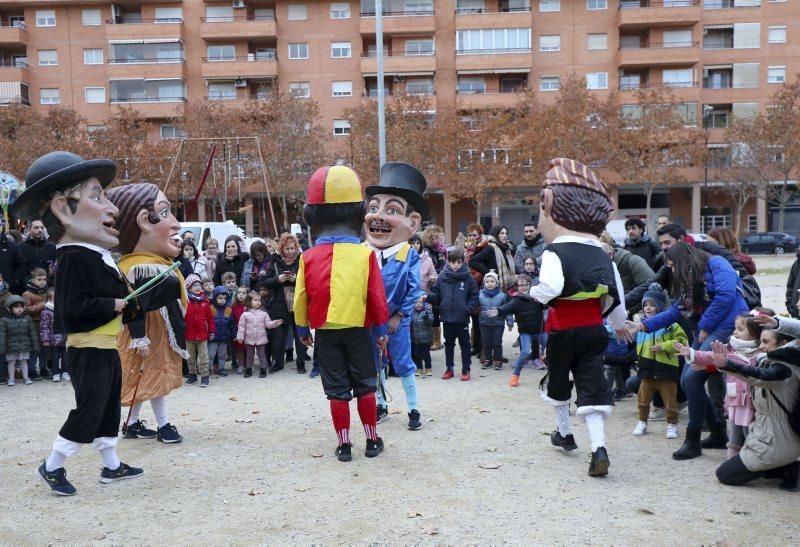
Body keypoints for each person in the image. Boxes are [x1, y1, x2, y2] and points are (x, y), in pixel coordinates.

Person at [13, 151, 142, 496]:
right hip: (87, 349)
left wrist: (130, 304)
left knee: (109, 405)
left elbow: (116, 302)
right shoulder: (72, 257)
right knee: (90, 407)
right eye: (97, 196)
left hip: (105, 347)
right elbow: (71, 310)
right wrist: (112, 303)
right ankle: (53, 464)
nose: (113, 209)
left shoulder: (96, 256)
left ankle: (111, 465)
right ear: (62, 208)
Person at [532, 158, 629, 478]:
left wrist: (534, 294)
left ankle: (565, 434)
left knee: (559, 383)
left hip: (563, 329)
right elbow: (617, 298)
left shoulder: (554, 251)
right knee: (592, 385)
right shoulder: (602, 254)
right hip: (594, 330)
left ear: (548, 204)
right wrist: (619, 326)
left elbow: (551, 287)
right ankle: (598, 447)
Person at [293, 165, 389, 462]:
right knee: (365, 385)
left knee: (336, 390)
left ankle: (344, 445)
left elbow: (300, 298)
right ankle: (372, 440)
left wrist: (301, 329)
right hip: (359, 329)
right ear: (358, 212)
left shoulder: (307, 258)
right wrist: (381, 331)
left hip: (325, 331)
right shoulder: (366, 255)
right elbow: (376, 297)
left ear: (312, 217)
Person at [628, 242, 749, 460]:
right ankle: (718, 432)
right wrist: (642, 325)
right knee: (687, 379)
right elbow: (676, 310)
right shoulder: (688, 281)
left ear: (683, 260)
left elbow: (725, 296)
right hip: (707, 327)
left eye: (673, 265)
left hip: (728, 324)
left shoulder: (716, 263)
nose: (672, 270)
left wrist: (704, 328)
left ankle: (693, 440)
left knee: (692, 377)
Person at [107, 183, 188, 446]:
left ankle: (131, 423)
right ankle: (164, 426)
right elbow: (138, 304)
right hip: (147, 330)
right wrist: (139, 336)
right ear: (143, 221)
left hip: (154, 327)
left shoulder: (152, 264)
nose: (175, 224)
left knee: (147, 374)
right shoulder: (140, 268)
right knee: (153, 373)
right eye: (165, 213)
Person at [364, 162, 426, 431]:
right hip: (371, 321)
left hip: (396, 322)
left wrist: (400, 315)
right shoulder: (363, 253)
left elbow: (414, 288)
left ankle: (413, 408)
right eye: (373, 207)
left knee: (402, 361)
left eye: (391, 210)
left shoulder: (408, 255)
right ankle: (381, 403)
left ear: (412, 223)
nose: (378, 216)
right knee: (376, 362)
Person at [703, 319, 800, 491]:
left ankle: (790, 468)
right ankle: (783, 467)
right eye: (760, 341)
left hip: (777, 440)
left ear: (784, 344)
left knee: (724, 475)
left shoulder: (784, 369)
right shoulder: (775, 361)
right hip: (773, 436)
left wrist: (727, 364)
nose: (761, 346)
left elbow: (759, 375)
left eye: (766, 342)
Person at [679, 312, 767, 458]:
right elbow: (710, 356)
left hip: (754, 403)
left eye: (740, 329)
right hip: (736, 402)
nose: (735, 332)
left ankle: (751, 459)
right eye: (735, 328)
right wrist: (692, 353)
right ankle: (732, 459)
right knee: (735, 435)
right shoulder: (730, 348)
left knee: (751, 433)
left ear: (753, 334)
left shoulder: (760, 354)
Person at [631, 284, 688, 439]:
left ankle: (672, 424)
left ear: (660, 307)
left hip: (667, 371)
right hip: (647, 371)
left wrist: (664, 346)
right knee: (643, 401)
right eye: (645, 305)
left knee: (670, 402)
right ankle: (642, 421)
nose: (648, 308)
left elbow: (682, 341)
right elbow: (633, 342)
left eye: (652, 305)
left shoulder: (672, 325)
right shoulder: (640, 326)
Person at [425, 248, 479, 381]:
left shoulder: (468, 278)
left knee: (465, 345)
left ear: (462, 262)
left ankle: (466, 370)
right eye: (453, 262)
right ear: (448, 261)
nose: (456, 265)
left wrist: (467, 309)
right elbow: (437, 296)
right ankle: (449, 368)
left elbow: (474, 296)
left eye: (458, 262)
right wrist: (427, 297)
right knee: (448, 344)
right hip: (447, 318)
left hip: (462, 318)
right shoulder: (442, 277)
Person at [265, 233, 308, 374]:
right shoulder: (274, 260)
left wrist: (297, 279)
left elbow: (309, 280)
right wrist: (278, 279)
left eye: (292, 248)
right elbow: (264, 282)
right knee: (279, 336)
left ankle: (300, 363)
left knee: (300, 334)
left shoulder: (302, 259)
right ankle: (278, 363)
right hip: (279, 302)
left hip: (298, 302)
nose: (290, 251)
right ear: (281, 249)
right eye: (287, 249)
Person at [498, 274, 545, 387]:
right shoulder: (516, 301)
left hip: (540, 331)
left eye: (526, 284)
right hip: (526, 332)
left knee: (552, 349)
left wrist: (543, 299)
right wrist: (498, 311)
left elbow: (550, 304)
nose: (524, 287)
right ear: (517, 287)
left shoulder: (537, 298)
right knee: (525, 352)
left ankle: (554, 375)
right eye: (521, 285)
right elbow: (506, 308)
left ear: (530, 285)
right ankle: (515, 375)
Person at [599, 231, 654, 314]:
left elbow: (654, 286)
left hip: (642, 315)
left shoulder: (631, 261)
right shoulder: (594, 267)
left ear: (609, 247)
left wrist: (630, 310)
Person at [236, 291, 282, 378]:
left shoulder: (264, 313)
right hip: (249, 338)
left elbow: (268, 324)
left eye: (259, 300)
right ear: (250, 302)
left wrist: (275, 323)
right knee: (249, 355)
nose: (258, 302)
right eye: (255, 300)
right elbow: (241, 326)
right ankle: (248, 370)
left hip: (261, 338)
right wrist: (240, 336)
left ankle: (263, 370)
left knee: (262, 355)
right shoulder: (245, 314)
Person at [183, 273, 215, 387]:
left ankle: (205, 377)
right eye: (194, 285)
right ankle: (192, 376)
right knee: (190, 357)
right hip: (189, 334)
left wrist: (211, 331)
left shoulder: (205, 302)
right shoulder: (185, 302)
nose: (198, 287)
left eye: (199, 285)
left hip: (202, 335)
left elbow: (210, 319)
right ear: (188, 288)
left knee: (204, 356)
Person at [1, 295, 39, 385]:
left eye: (21, 306)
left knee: (24, 361)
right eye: (16, 307)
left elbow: (32, 333)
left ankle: (26, 377)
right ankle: (11, 379)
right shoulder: (4, 320)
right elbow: (2, 335)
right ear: (9, 308)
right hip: (11, 346)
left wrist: (35, 346)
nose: (19, 309)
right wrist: (2, 348)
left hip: (24, 346)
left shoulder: (28, 318)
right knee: (11, 362)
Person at [479, 271, 513, 370]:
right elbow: (475, 306)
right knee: (486, 342)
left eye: (492, 281)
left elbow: (507, 309)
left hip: (498, 323)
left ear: (497, 283)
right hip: (484, 323)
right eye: (487, 281)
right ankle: (488, 359)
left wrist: (510, 322)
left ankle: (497, 360)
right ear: (484, 283)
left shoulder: (502, 295)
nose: (489, 283)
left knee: (497, 342)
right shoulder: (480, 295)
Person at [469, 225, 515, 292]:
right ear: (496, 235)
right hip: (491, 287)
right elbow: (472, 262)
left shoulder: (506, 249)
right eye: (502, 233)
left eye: (506, 233)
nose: (505, 236)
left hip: (505, 287)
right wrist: (488, 272)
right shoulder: (491, 248)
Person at [464, 223, 488, 357]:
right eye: (470, 235)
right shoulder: (466, 249)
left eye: (474, 234)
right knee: (474, 318)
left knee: (481, 319)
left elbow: (483, 268)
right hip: (469, 287)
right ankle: (476, 346)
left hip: (480, 285)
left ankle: (482, 348)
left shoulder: (484, 248)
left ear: (479, 235)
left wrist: (472, 281)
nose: (472, 237)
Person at [14, 219, 57, 293]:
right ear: (28, 229)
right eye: (36, 227)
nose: (40, 230)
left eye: (42, 227)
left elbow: (56, 268)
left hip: (47, 290)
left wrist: (52, 273)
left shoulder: (53, 248)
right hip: (24, 290)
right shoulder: (19, 248)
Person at [422, 224, 447, 351]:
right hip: (432, 284)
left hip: (441, 283)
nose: (442, 238)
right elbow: (431, 268)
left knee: (437, 311)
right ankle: (434, 340)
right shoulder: (428, 251)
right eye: (439, 236)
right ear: (432, 237)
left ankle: (437, 340)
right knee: (433, 312)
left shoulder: (441, 250)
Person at [22, 266, 48, 379]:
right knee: (34, 348)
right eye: (39, 279)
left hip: (47, 324)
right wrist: (42, 305)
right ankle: (31, 370)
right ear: (32, 280)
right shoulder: (26, 294)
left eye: (44, 279)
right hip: (34, 324)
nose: (42, 282)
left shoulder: (48, 291)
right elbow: (26, 309)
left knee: (45, 348)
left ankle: (43, 368)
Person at [40, 287, 68, 382]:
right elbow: (44, 327)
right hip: (53, 340)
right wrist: (45, 340)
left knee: (65, 357)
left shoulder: (64, 310)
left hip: (65, 339)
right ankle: (55, 373)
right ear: (49, 299)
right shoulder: (46, 312)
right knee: (54, 357)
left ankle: (65, 372)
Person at [209, 286, 234, 376]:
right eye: (220, 298)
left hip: (224, 337)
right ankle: (209, 369)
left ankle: (221, 368)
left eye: (225, 298)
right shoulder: (210, 308)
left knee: (222, 355)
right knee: (211, 354)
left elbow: (232, 325)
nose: (222, 300)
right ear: (215, 297)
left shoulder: (229, 310)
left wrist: (233, 335)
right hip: (213, 337)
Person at [411, 299, 434, 377]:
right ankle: (419, 369)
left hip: (425, 339)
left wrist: (427, 318)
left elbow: (431, 321)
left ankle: (428, 368)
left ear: (424, 303)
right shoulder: (411, 313)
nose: (418, 304)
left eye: (420, 302)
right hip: (414, 339)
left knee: (425, 354)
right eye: (416, 302)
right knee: (416, 355)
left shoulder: (427, 311)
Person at [231, 286, 248, 374]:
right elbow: (233, 321)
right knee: (240, 349)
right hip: (238, 332)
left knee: (249, 349)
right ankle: (241, 365)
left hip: (249, 332)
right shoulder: (234, 307)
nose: (240, 295)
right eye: (239, 293)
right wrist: (234, 334)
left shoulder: (250, 306)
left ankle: (249, 365)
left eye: (243, 293)